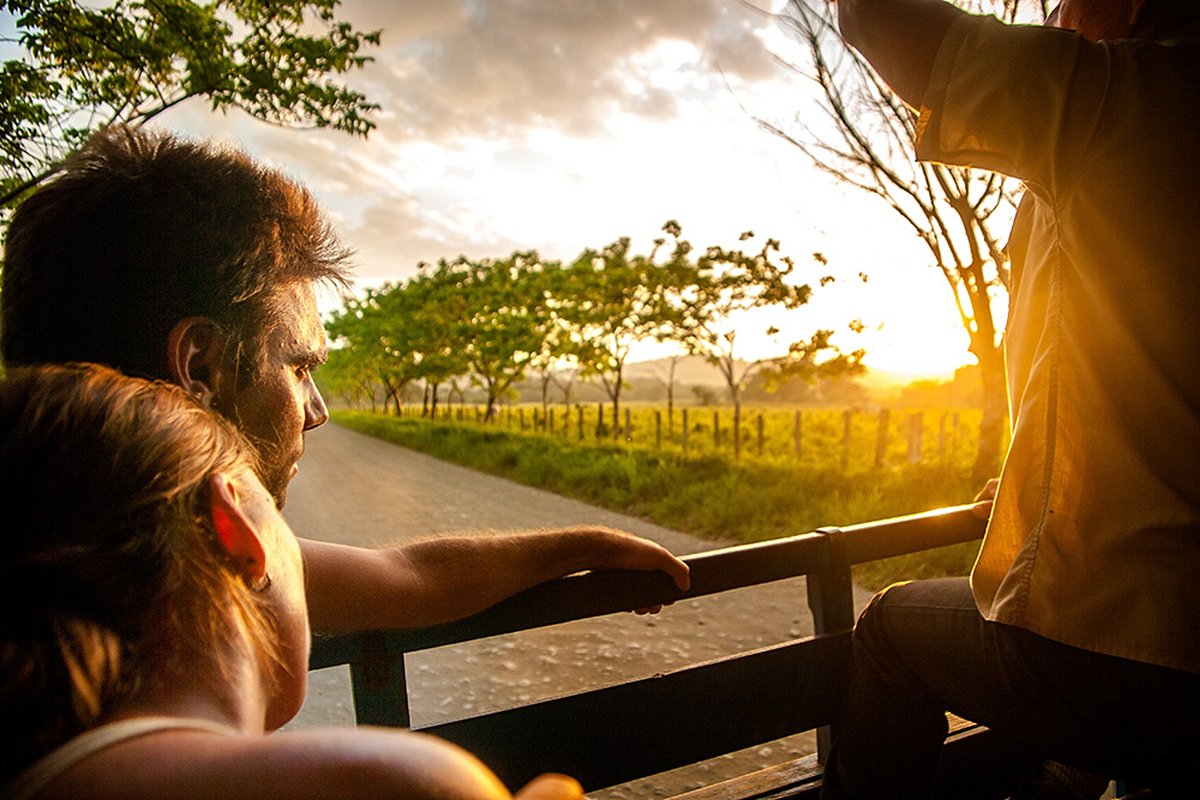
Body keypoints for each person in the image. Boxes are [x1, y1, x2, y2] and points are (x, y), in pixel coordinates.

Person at [0, 125, 690, 638]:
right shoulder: (171, 573)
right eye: (299, 367)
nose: (316, 410)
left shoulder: (189, 541)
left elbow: (409, 579)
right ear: (202, 367)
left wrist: (580, 546)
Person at [820, 0, 1200, 797]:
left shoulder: (1114, 98)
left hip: (1145, 652)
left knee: (890, 630)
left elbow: (876, 20)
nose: (1054, 9)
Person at [0, 362, 584, 799]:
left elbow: (412, 574)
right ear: (235, 530)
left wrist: (579, 544)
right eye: (279, 519)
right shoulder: (381, 783)